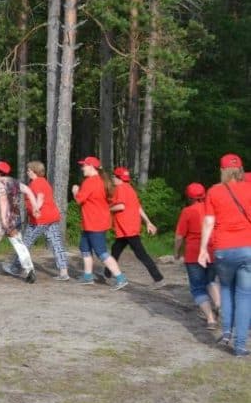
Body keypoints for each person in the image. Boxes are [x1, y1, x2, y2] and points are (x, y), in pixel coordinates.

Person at [199, 153, 251, 357]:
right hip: (248, 248)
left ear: (222, 170)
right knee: (245, 296)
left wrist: (203, 249)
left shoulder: (213, 191)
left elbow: (209, 222)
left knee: (227, 289)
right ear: (240, 170)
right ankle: (239, 346)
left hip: (223, 249)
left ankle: (227, 331)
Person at [5, 161, 71, 281]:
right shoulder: (44, 182)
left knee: (25, 243)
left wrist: (36, 208)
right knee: (57, 244)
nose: (27, 172)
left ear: (34, 171)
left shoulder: (36, 183)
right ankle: (64, 272)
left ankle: (15, 267)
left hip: (40, 219)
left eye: (29, 170)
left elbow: (40, 197)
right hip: (52, 217)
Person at [72, 156, 129, 290]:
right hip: (94, 221)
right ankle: (87, 276)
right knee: (84, 248)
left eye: (84, 166)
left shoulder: (90, 182)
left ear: (91, 167)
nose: (82, 168)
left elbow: (79, 200)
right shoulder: (101, 181)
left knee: (101, 252)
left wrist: (75, 191)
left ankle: (120, 278)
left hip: (94, 222)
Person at [106, 167, 165, 287]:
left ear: (118, 178)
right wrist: (148, 222)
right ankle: (107, 275)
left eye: (114, 176)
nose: (112, 178)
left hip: (127, 229)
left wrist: (107, 209)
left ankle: (159, 279)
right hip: (127, 229)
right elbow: (138, 207)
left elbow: (121, 206)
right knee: (115, 250)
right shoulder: (130, 189)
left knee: (141, 254)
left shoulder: (121, 188)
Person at [175, 183, 220, 330]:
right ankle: (219, 305)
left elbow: (179, 236)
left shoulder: (187, 211)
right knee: (211, 281)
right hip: (213, 251)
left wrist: (176, 252)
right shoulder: (213, 209)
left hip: (194, 254)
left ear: (189, 196)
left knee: (198, 288)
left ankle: (210, 319)